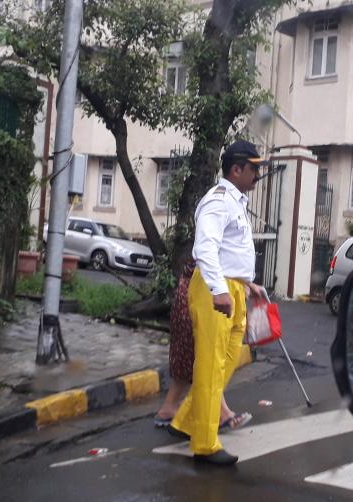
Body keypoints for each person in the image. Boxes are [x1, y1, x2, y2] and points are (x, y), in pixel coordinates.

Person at [167, 140, 266, 466]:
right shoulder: (218, 201)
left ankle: (184, 419)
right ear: (236, 169)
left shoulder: (236, 202)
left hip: (233, 287)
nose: (257, 174)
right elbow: (206, 247)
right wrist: (218, 290)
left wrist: (246, 283)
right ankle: (205, 445)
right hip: (216, 290)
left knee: (228, 359)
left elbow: (228, 251)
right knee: (210, 367)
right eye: (254, 168)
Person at [153, 256, 252, 432]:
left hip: (195, 297)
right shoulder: (213, 240)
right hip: (202, 298)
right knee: (207, 363)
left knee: (196, 363)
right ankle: (221, 414)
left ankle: (169, 409)